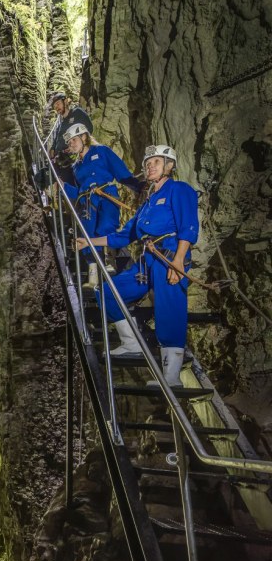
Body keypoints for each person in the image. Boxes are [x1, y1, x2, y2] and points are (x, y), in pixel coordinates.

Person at [76, 144, 199, 387]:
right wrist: (88, 241)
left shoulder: (179, 190)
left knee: (168, 311)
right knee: (107, 291)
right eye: (148, 162)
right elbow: (124, 235)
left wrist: (178, 263)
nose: (149, 165)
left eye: (156, 161)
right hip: (146, 263)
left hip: (169, 258)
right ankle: (131, 342)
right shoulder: (148, 202)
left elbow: (189, 227)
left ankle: (171, 377)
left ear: (169, 166)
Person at [62, 123, 140, 287]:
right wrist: (63, 187)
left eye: (74, 140)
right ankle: (93, 278)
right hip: (87, 203)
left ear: (84, 137)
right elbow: (79, 192)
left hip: (106, 195)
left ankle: (109, 260)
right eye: (69, 142)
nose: (71, 144)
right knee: (87, 235)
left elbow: (121, 173)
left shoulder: (102, 152)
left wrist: (140, 188)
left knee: (106, 226)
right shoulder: (76, 166)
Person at [48, 92, 93, 185]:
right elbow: (57, 139)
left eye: (58, 103)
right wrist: (52, 148)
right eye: (54, 106)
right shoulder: (61, 124)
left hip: (72, 160)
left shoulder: (77, 113)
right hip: (59, 160)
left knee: (72, 187)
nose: (56, 107)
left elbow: (89, 129)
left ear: (65, 102)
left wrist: (76, 148)